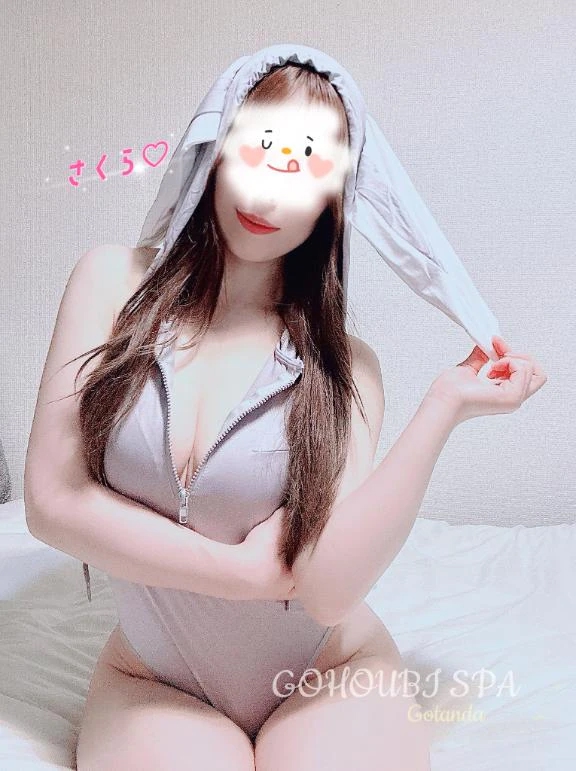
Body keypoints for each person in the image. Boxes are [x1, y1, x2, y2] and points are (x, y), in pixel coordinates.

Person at [25, 47, 546, 771]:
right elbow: (52, 503)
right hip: (155, 681)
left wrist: (444, 406)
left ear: (334, 198)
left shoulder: (346, 368)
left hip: (329, 675)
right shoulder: (112, 282)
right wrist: (240, 572)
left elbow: (326, 590)